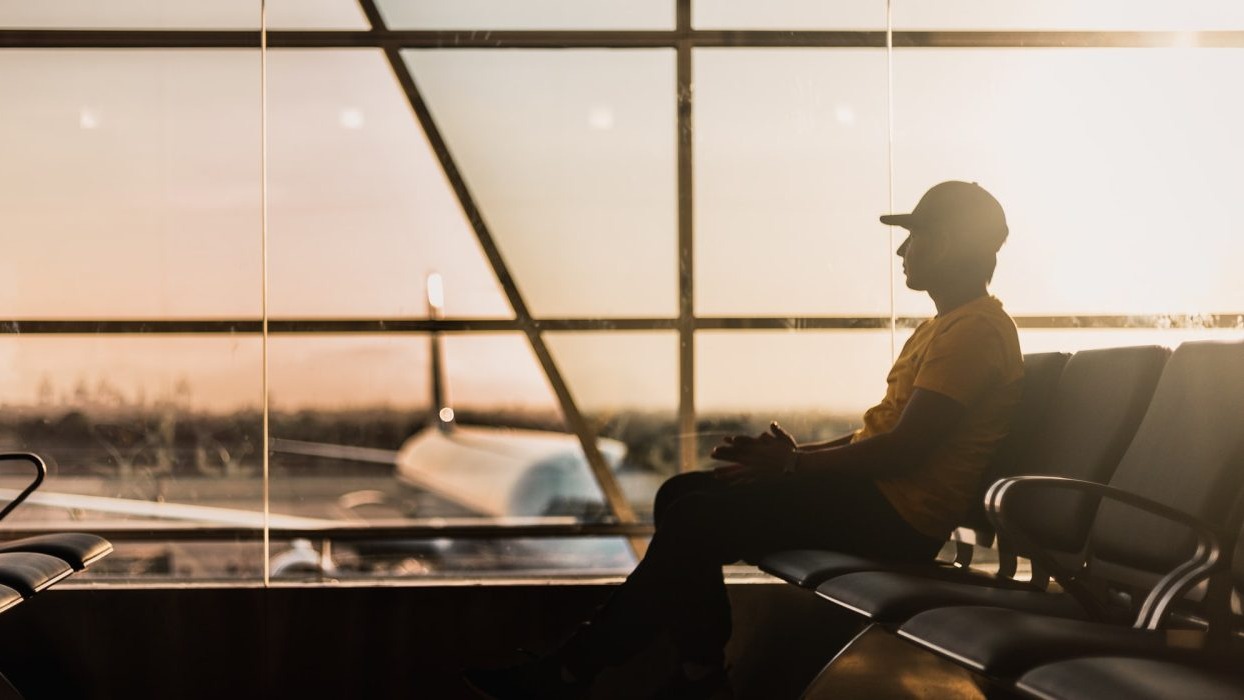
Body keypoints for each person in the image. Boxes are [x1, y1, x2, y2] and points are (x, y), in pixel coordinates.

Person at [464, 181, 1024, 699]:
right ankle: (694, 675)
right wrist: (790, 458)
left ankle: (582, 671)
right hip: (877, 500)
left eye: (914, 237)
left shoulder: (974, 332)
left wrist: (793, 467)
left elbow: (906, 450)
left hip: (896, 519)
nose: (902, 251)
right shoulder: (945, 326)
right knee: (681, 493)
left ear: (944, 243)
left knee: (695, 517)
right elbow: (882, 436)